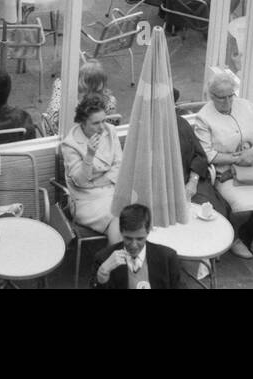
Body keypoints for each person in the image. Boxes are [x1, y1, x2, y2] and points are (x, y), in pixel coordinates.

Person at [193, 68, 253, 259]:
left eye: (231, 96)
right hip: (227, 172)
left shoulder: (246, 105)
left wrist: (252, 152)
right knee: (242, 211)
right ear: (211, 96)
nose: (228, 101)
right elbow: (208, 154)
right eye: (222, 98)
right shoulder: (204, 117)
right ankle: (235, 237)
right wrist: (238, 158)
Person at [59, 95, 123, 243]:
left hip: (113, 190)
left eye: (104, 120)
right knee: (120, 218)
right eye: (95, 123)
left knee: (139, 214)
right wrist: (89, 155)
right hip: (86, 200)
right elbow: (81, 181)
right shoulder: (71, 144)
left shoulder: (110, 131)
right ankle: (115, 262)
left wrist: (95, 182)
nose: (102, 127)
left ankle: (126, 260)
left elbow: (119, 165)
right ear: (82, 122)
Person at [91, 203, 183, 289]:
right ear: (121, 232)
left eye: (140, 239)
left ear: (148, 232)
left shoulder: (168, 258)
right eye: (128, 238)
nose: (134, 245)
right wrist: (102, 275)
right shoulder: (103, 258)